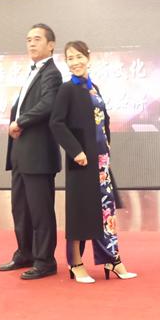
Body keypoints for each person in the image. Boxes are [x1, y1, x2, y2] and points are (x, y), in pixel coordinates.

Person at [50, 40, 137, 283]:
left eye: (79, 56)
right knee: (79, 213)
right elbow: (56, 123)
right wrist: (76, 151)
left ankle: (112, 259)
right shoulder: (67, 89)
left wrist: (107, 146)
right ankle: (76, 263)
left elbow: (102, 120)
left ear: (88, 58)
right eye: (70, 58)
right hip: (81, 161)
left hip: (100, 160)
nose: (75, 62)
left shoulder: (93, 88)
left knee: (106, 212)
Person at [0, 23, 62, 280]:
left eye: (37, 39)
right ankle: (25, 253)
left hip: (39, 156)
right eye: (28, 39)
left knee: (40, 212)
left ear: (51, 45)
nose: (31, 43)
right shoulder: (32, 72)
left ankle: (45, 261)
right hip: (21, 154)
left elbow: (48, 104)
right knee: (21, 210)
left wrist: (20, 122)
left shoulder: (52, 73)